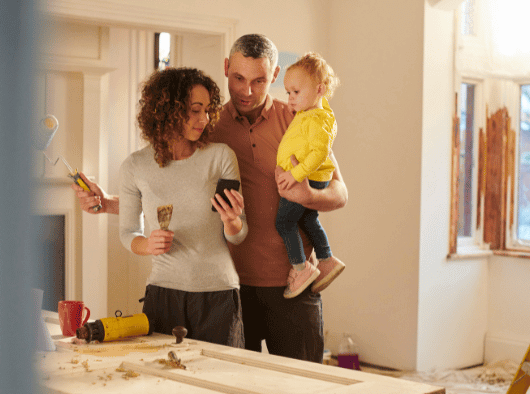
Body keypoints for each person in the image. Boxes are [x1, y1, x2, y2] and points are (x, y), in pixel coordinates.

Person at [73, 34, 348, 363]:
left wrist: (307, 194)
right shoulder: (206, 125)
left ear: (274, 76)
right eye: (238, 79)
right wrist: (109, 203)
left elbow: (339, 193)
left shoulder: (297, 118)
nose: (247, 90)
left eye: (259, 80)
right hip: (229, 288)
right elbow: (178, 193)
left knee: (303, 384)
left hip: (292, 282)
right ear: (226, 69)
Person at [119, 67, 247, 347]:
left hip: (218, 293)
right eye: (195, 110)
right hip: (163, 294)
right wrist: (148, 245)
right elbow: (127, 232)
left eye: (208, 110)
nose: (205, 118)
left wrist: (232, 221)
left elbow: (238, 235)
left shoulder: (220, 157)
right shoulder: (135, 166)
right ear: (166, 110)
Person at [275, 52, 345, 299]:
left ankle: (301, 268)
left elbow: (319, 153)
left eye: (296, 92)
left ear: (319, 90)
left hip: (308, 178)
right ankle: (326, 259)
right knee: (308, 219)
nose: (291, 99)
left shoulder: (318, 119)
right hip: (309, 176)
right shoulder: (311, 113)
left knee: (284, 222)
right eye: (288, 93)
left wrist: (295, 174)